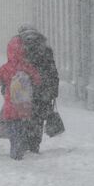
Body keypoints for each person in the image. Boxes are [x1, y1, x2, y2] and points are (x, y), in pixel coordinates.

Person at [0, 36, 41, 160]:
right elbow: (37, 79)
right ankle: (20, 147)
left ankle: (15, 149)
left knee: (13, 130)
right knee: (22, 127)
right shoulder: (27, 66)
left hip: (10, 104)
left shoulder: (6, 67)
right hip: (24, 105)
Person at [17, 24, 59, 153]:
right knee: (38, 117)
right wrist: (53, 90)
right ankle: (35, 144)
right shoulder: (45, 48)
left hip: (23, 87)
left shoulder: (19, 47)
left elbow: (13, 69)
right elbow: (52, 71)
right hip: (43, 88)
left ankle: (23, 142)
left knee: (23, 115)